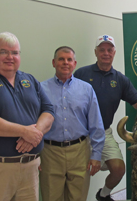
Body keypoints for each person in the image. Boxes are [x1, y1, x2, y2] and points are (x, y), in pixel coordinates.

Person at [0, 32, 55, 201]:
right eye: (3, 52)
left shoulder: (29, 80)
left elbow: (49, 111)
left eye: (14, 53)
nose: (10, 57)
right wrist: (25, 132)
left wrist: (34, 134)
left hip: (30, 168)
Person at [74, 34, 137, 201]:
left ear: (114, 52)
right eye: (102, 50)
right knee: (80, 175)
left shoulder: (120, 79)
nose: (106, 53)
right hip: (80, 134)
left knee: (119, 168)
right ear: (96, 52)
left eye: (109, 50)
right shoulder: (81, 74)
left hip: (103, 133)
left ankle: (103, 195)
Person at [40, 46, 105, 201]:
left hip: (79, 152)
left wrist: (96, 155)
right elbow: (35, 123)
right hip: (50, 153)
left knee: (78, 197)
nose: (65, 63)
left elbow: (96, 124)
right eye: (61, 59)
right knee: (51, 196)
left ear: (75, 63)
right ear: (53, 62)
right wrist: (35, 154)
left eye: (69, 59)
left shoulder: (86, 89)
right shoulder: (40, 89)